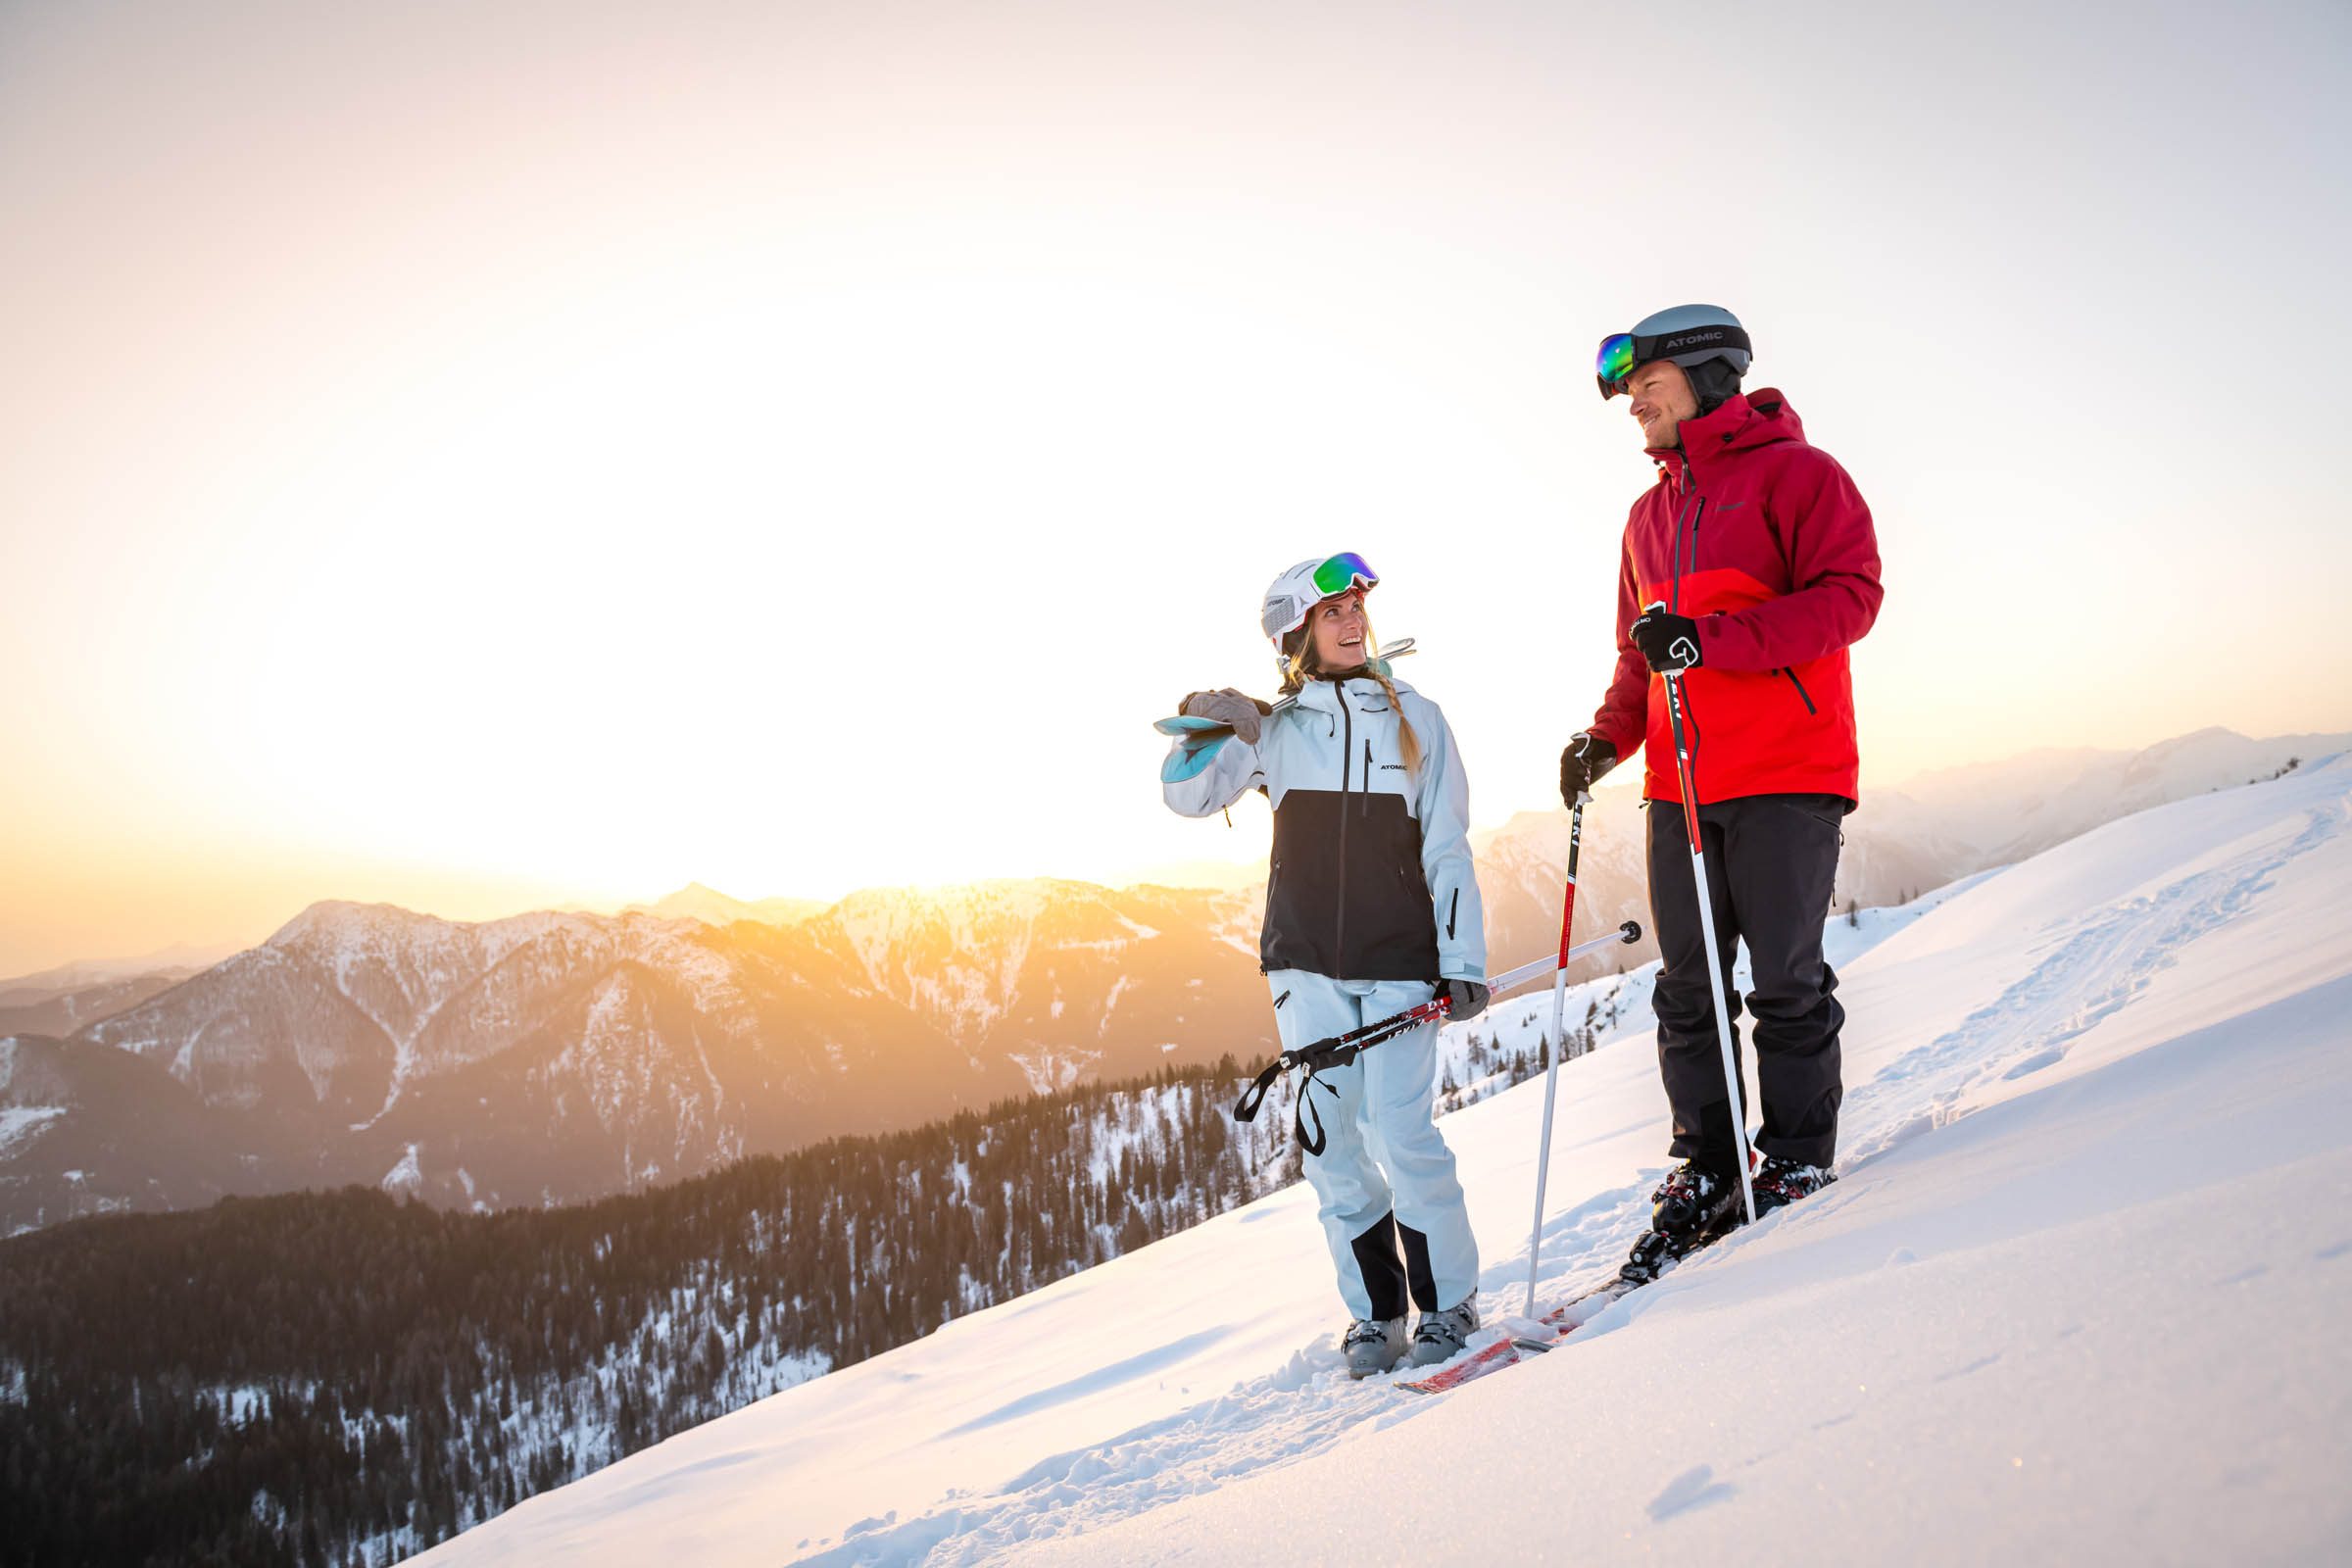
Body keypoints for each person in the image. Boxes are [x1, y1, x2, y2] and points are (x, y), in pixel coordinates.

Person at [1559, 305, 1885, 1275]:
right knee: (1688, 988)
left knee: (1785, 981)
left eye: (1642, 384)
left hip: (1787, 773)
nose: (1633, 407)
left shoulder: (1800, 476)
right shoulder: (1646, 517)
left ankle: (1791, 1160)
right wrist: (1606, 739)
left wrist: (1717, 642)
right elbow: (1639, 656)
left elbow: (1850, 595)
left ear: (1702, 368)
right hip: (1680, 784)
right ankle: (1706, 1165)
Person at [1164, 554, 1490, 1376]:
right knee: (1332, 1146)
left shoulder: (1419, 718)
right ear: (1296, 633)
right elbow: (1188, 798)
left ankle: (1448, 1303)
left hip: (1399, 964)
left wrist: (1463, 960)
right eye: (1332, 611)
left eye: (1356, 608)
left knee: (1403, 1134)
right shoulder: (1275, 729)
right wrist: (1209, 719)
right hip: (1304, 966)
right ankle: (1377, 1316)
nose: (1352, 621)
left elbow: (1447, 850)